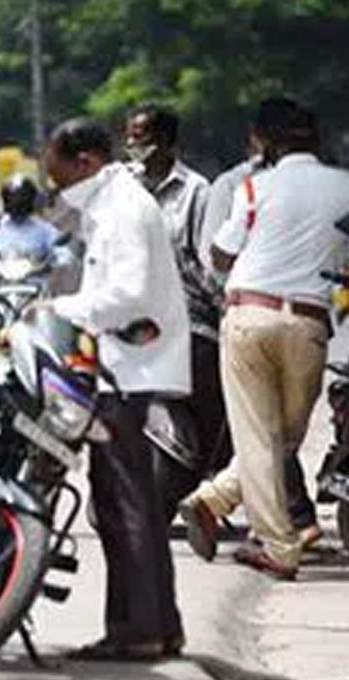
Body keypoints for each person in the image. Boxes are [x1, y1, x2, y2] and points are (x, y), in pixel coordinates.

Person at [179, 100, 349, 580]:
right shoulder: (345, 186)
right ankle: (278, 542)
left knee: (262, 435)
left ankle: (215, 500)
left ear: (267, 143)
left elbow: (219, 253)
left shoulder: (254, 186)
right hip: (309, 324)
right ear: (317, 141)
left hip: (249, 314)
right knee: (283, 436)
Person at [46, 118, 189, 661]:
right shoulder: (112, 203)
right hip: (122, 367)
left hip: (126, 373)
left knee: (121, 503)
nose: (57, 187)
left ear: (85, 162)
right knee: (136, 503)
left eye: (58, 174)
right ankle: (159, 624)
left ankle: (137, 630)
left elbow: (126, 293)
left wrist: (59, 309)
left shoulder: (123, 208)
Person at [123, 104, 229, 522]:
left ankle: (208, 484)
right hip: (127, 317)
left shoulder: (196, 192)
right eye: (129, 137)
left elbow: (207, 261)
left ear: (167, 142)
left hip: (189, 317)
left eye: (142, 138)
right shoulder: (119, 186)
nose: (133, 146)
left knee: (213, 409)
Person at [0, 173, 70, 265]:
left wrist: (53, 262)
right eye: (13, 201)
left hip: (34, 277)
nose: (17, 206)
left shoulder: (45, 229)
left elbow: (64, 254)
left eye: (21, 202)